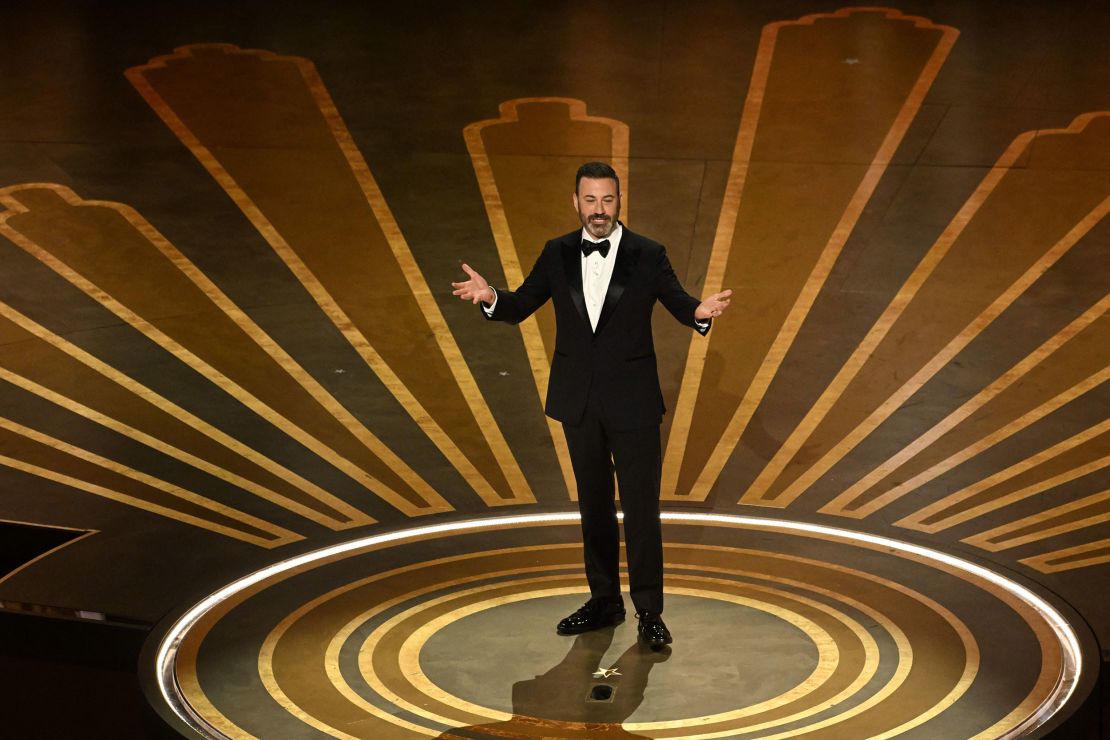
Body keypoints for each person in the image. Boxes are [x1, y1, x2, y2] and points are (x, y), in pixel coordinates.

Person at [452, 162, 731, 650]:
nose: (598, 210)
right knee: (593, 506)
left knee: (641, 510)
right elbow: (520, 305)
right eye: (589, 200)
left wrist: (699, 313)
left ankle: (649, 612)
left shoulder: (648, 253)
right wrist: (490, 295)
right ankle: (604, 600)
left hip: (634, 403)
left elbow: (677, 300)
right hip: (579, 400)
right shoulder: (557, 253)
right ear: (575, 202)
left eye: (607, 200)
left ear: (619, 202)